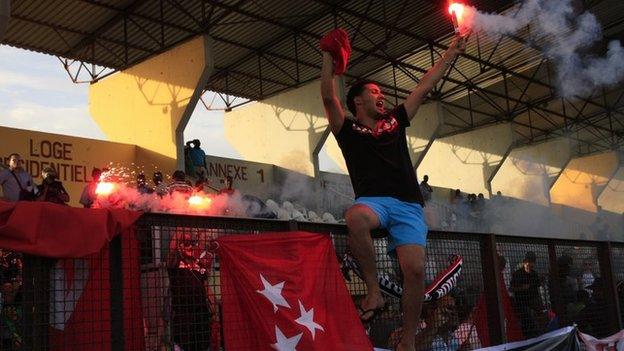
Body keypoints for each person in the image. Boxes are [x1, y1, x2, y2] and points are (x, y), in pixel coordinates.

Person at [320, 26, 467, 351]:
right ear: (357, 101)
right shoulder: (347, 127)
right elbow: (329, 96)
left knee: (414, 272)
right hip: (374, 202)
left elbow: (425, 85)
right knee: (355, 217)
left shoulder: (396, 120)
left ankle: (410, 341)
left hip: (408, 204)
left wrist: (452, 52)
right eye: (373, 91)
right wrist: (329, 58)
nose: (381, 94)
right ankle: (373, 290)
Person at [510, 251, 545, 338]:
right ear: (525, 262)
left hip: (534, 303)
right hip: (522, 304)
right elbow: (511, 288)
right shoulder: (518, 274)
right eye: (529, 262)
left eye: (532, 262)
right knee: (528, 321)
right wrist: (522, 288)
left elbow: (538, 287)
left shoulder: (534, 274)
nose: (531, 264)